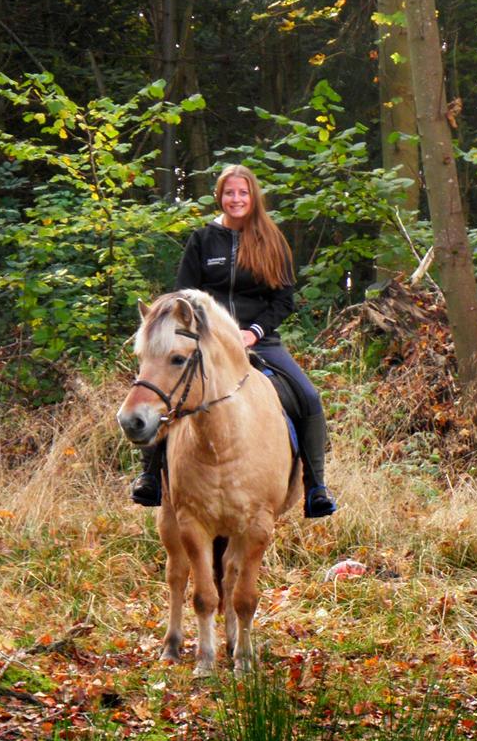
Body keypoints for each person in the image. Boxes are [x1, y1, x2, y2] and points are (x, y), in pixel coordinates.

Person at [130, 164, 338, 519]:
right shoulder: (202, 240)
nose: (236, 199)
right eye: (230, 193)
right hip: (207, 343)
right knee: (166, 390)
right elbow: (184, 295)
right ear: (220, 196)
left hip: (261, 341)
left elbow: (284, 299)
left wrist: (253, 332)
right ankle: (150, 476)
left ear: (253, 197)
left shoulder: (272, 241)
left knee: (308, 396)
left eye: (243, 193)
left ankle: (316, 485)